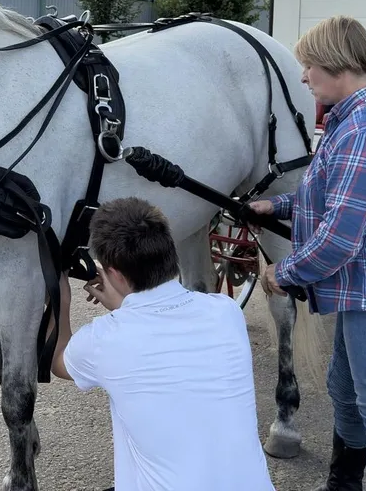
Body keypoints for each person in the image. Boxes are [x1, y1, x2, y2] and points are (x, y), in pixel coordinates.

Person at [250, 15, 366, 491]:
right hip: (363, 287)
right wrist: (277, 203)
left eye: (309, 65)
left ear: (337, 65)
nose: (304, 76)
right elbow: (332, 195)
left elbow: (340, 238)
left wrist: (282, 273)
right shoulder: (353, 119)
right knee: (346, 394)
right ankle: (343, 482)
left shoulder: (363, 130)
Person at [49, 196, 275, 491]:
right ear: (171, 251)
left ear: (113, 273)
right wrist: (124, 304)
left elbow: (59, 361)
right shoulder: (225, 311)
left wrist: (60, 298)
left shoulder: (104, 339)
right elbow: (158, 338)